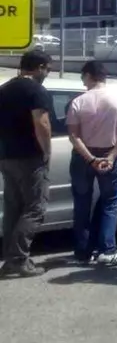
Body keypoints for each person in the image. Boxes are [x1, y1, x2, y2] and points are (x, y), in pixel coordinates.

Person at [66, 60, 117, 267]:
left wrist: (90, 159)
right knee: (110, 202)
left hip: (82, 156)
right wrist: (111, 157)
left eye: (82, 76)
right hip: (108, 155)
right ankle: (107, 250)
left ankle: (82, 252)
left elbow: (73, 136)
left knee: (81, 203)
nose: (82, 81)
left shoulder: (78, 102)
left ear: (88, 75)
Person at [0, 51, 53, 277]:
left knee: (13, 208)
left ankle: (10, 258)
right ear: (39, 67)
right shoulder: (35, 90)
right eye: (48, 69)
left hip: (6, 156)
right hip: (29, 157)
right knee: (35, 208)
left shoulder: (5, 89)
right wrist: (47, 152)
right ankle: (18, 259)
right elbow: (41, 123)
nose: (48, 73)